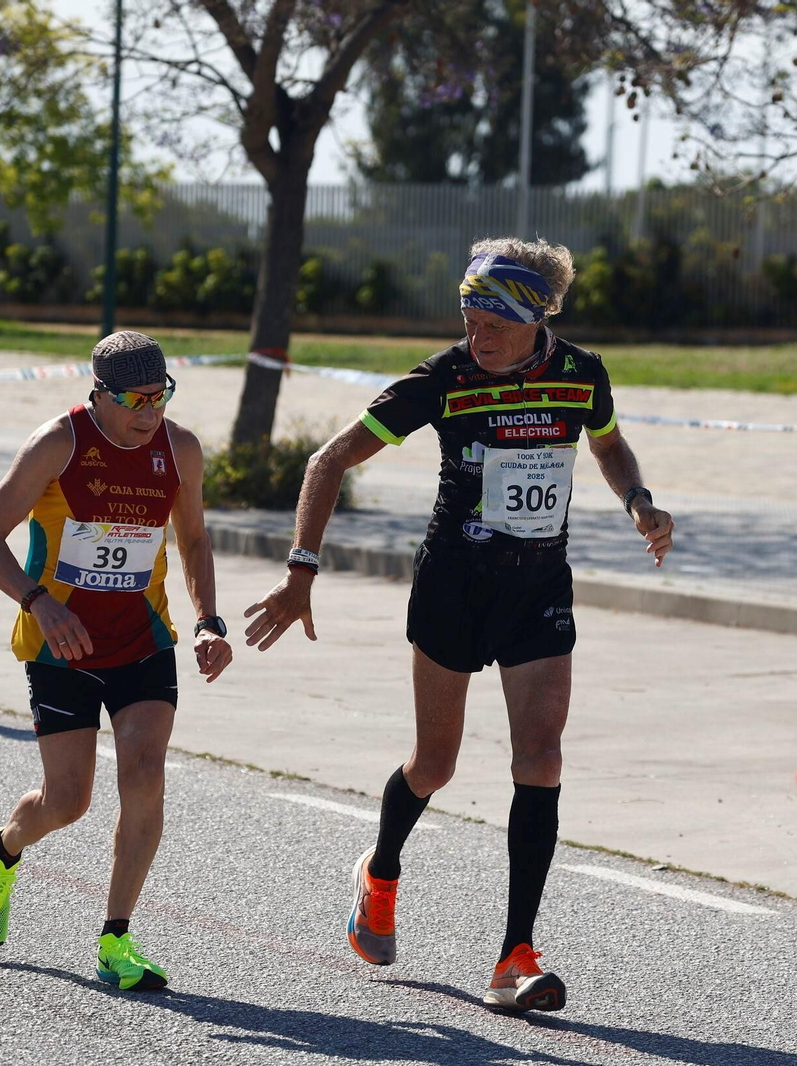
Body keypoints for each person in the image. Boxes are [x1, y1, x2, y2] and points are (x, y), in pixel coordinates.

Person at [243, 239, 676, 1012]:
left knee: (541, 758)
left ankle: (515, 958)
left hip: (539, 588)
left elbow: (607, 442)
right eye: (470, 321)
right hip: (454, 586)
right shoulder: (444, 378)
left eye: (494, 325)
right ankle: (380, 870)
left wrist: (637, 499)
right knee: (435, 766)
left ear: (537, 318)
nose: (478, 337)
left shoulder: (582, 374)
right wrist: (300, 570)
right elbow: (327, 461)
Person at [0, 330, 233, 991]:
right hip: (63, 647)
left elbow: (195, 539)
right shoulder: (59, 443)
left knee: (145, 774)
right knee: (67, 800)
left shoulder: (180, 449)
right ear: (100, 394)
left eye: (161, 396)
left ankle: (116, 939)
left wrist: (207, 621)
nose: (150, 412)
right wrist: (39, 604)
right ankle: (0, 849)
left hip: (143, 641)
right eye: (136, 399)